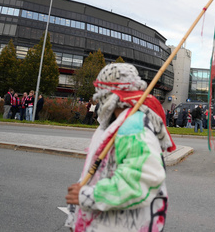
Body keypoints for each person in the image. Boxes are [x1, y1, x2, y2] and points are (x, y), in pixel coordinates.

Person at [65, 63, 175, 232]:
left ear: (109, 95)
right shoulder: (117, 123)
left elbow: (140, 180)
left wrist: (89, 195)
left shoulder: (133, 125)